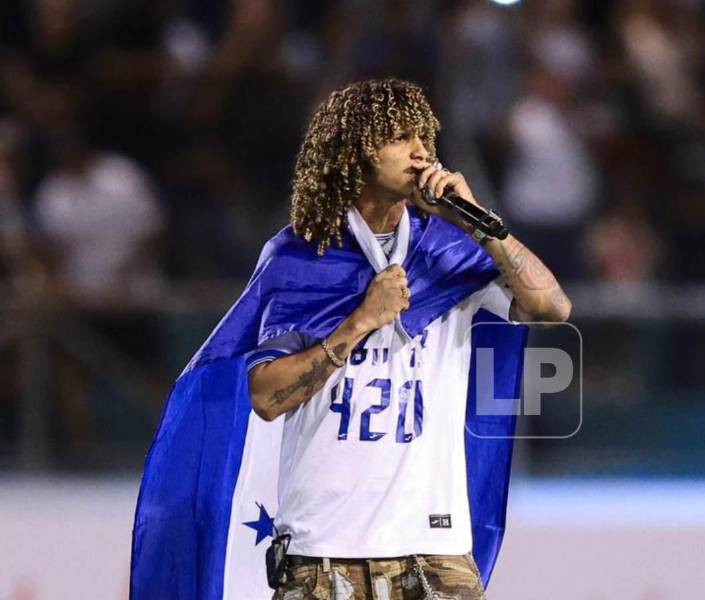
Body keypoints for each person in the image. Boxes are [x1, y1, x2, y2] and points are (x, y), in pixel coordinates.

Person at [130, 78, 570, 600]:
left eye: (424, 137)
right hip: (322, 550)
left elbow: (551, 307)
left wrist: (480, 224)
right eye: (400, 137)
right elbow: (267, 397)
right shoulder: (300, 259)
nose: (421, 152)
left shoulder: (450, 253)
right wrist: (360, 321)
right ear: (356, 151)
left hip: (434, 548)